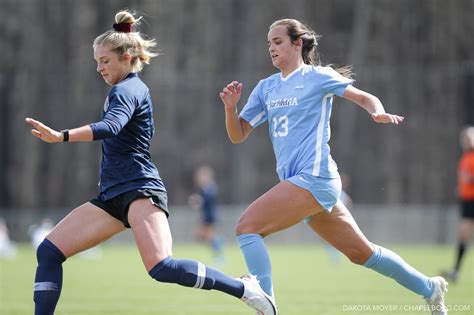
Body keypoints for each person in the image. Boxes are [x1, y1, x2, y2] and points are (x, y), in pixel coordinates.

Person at [24, 10, 276, 315]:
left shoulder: (128, 88)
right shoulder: (124, 89)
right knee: (49, 251)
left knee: (161, 267)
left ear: (127, 57)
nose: (99, 68)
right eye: (97, 62)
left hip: (139, 190)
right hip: (112, 196)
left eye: (105, 61)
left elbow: (111, 126)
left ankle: (245, 288)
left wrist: (61, 136)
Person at [219, 18, 448, 314]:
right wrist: (230, 109)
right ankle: (430, 288)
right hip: (305, 185)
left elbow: (365, 97)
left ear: (297, 43)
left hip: (316, 178)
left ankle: (266, 302)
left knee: (246, 227)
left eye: (277, 42)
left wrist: (377, 112)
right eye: (268, 44)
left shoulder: (318, 77)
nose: (271, 49)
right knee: (361, 253)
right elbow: (237, 135)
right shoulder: (266, 88)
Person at [442, 125, 474, 283]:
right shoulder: (466, 157)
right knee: (463, 235)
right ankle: (456, 271)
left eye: (469, 137)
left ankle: (455, 270)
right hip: (467, 201)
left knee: (464, 233)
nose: (466, 140)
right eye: (464, 138)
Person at [188, 165, 225, 265]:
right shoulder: (203, 188)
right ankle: (219, 243)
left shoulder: (210, 187)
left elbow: (207, 199)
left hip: (210, 216)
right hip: (205, 216)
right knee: (203, 236)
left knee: (207, 236)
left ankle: (220, 249)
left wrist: (198, 200)